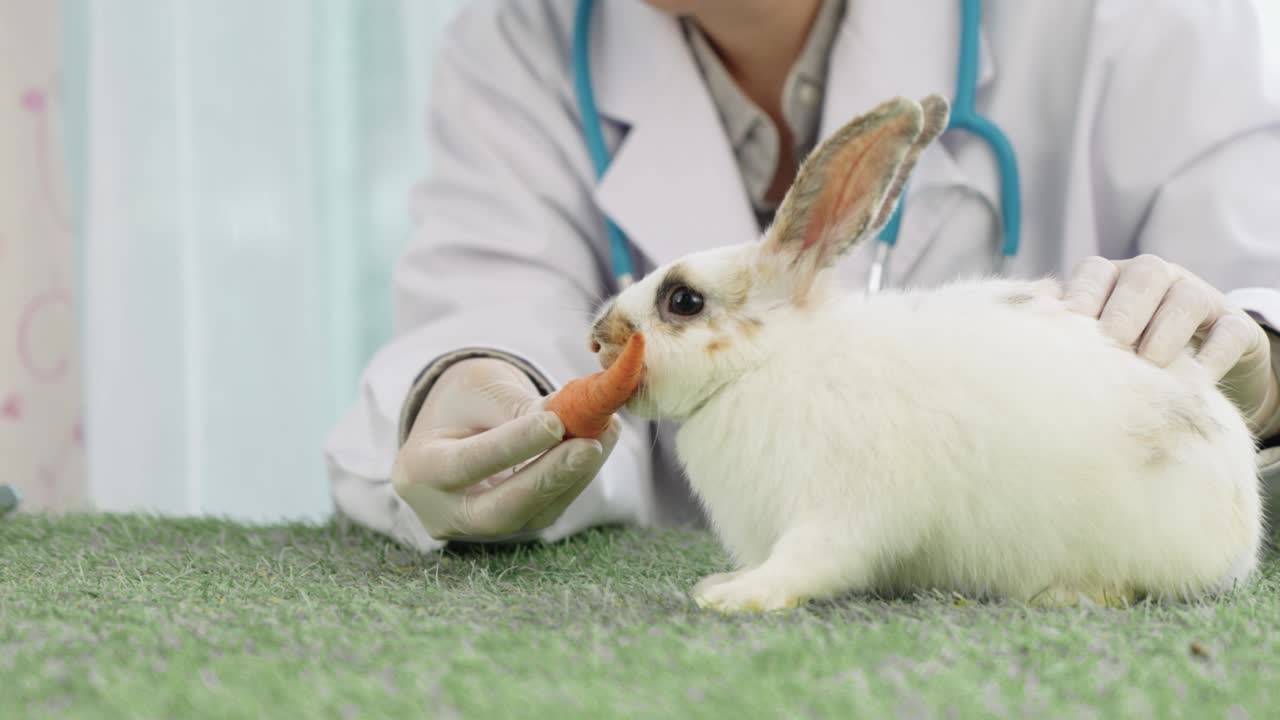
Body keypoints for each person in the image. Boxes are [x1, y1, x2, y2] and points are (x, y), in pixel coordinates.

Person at [324, 0, 1280, 554]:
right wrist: (478, 388)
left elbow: (1258, 281)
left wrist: (1260, 367)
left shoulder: (1151, 20)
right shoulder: (521, 39)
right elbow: (492, 303)